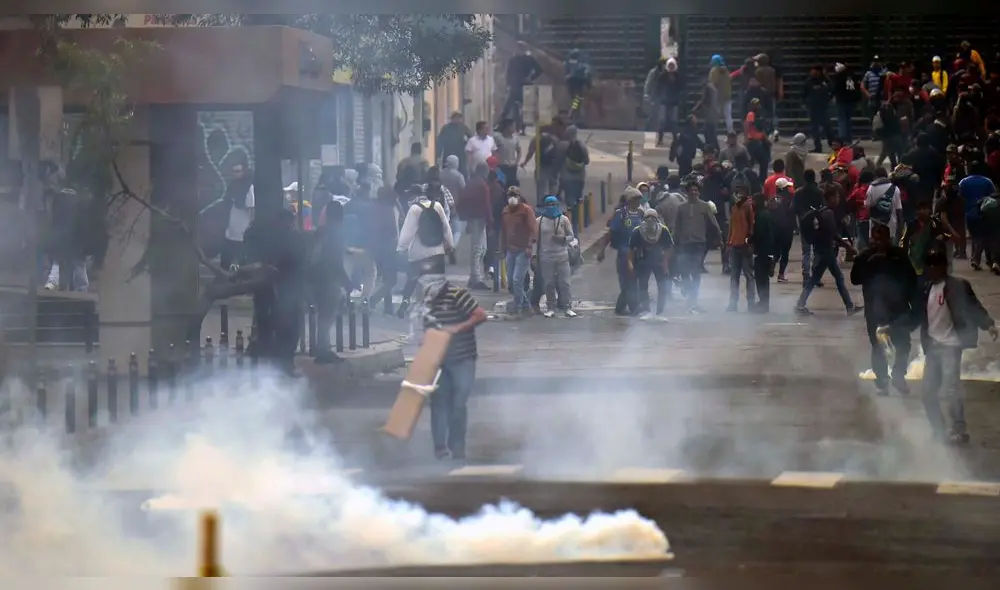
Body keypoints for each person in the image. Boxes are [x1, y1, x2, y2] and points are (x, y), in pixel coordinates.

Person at [890, 248, 997, 445]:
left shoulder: (958, 286)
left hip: (951, 347)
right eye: (928, 264)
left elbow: (974, 307)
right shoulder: (925, 289)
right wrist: (895, 328)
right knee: (928, 393)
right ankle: (939, 430)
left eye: (934, 264)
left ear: (943, 266)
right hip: (933, 348)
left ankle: (959, 429)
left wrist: (988, 324)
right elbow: (916, 316)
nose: (930, 268)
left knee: (951, 390)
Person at [423, 279, 488, 460]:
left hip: (463, 358)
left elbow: (480, 315)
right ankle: (440, 447)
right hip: (438, 359)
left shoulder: (457, 294)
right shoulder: (425, 298)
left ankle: (457, 445)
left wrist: (456, 328)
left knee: (458, 405)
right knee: (438, 403)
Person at [850, 223, 917, 395]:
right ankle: (882, 379)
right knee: (878, 346)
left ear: (888, 240)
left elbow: (911, 279)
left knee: (903, 344)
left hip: (898, 309)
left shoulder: (898, 255)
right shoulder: (865, 256)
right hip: (874, 311)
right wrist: (868, 263)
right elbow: (855, 279)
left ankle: (898, 375)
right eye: (875, 238)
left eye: (881, 239)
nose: (877, 242)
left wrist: (913, 304)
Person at [795, 185, 861, 316]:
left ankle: (849, 306)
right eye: (836, 197)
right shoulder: (829, 213)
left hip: (822, 249)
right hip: (827, 251)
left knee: (820, 278)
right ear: (830, 198)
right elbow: (833, 234)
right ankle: (849, 307)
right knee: (834, 278)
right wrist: (848, 247)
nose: (838, 199)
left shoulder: (823, 211)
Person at [396, 184, 455, 319]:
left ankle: (404, 304)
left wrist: (401, 248)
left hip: (419, 253)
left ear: (413, 196)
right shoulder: (438, 206)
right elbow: (446, 227)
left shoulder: (414, 209)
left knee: (412, 280)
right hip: (437, 252)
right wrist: (450, 245)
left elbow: (408, 232)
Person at [309, 201, 353, 363]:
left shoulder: (320, 232)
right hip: (328, 279)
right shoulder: (336, 233)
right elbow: (335, 261)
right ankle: (322, 350)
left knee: (323, 314)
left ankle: (322, 347)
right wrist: (346, 281)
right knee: (327, 315)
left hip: (316, 278)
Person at [672, 179, 722, 314]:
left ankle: (693, 302)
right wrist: (672, 242)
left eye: (696, 190)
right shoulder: (681, 208)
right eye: (691, 190)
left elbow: (714, 223)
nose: (694, 192)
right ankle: (688, 290)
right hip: (684, 244)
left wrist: (719, 237)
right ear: (687, 192)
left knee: (696, 272)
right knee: (684, 271)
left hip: (699, 244)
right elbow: (677, 227)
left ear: (699, 192)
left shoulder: (705, 206)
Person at [597, 187, 645, 316]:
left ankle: (621, 307)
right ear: (629, 200)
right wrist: (602, 250)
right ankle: (634, 307)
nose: (638, 201)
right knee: (627, 281)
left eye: (639, 199)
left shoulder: (641, 213)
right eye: (636, 199)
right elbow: (610, 233)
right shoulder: (621, 214)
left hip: (638, 254)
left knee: (633, 281)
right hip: (624, 253)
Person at [535, 195, 578, 318]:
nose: (551, 207)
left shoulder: (564, 219)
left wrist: (563, 239)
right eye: (549, 204)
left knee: (564, 283)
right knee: (549, 283)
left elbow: (571, 236)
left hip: (562, 255)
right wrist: (535, 255)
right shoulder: (539, 221)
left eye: (554, 204)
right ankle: (551, 307)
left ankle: (567, 307)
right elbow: (536, 240)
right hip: (546, 256)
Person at [629, 207, 674, 319]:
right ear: (643, 219)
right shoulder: (637, 231)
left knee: (663, 286)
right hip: (643, 261)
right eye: (647, 217)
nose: (650, 219)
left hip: (659, 261)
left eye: (653, 217)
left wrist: (665, 263)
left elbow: (669, 247)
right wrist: (630, 263)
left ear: (657, 219)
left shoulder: (663, 230)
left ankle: (660, 312)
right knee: (643, 286)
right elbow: (631, 249)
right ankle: (646, 310)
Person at [456, 162, 494, 290]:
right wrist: (490, 220)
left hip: (473, 217)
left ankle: (474, 277)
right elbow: (486, 204)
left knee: (481, 248)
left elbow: (461, 199)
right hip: (480, 218)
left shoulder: (471, 183)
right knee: (478, 249)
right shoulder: (482, 185)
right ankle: (476, 278)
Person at [501, 187, 537, 318]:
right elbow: (504, 232)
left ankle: (518, 307)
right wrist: (502, 248)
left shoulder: (526, 211)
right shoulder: (505, 211)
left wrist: (529, 246)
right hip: (510, 250)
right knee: (511, 281)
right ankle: (527, 306)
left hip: (523, 250)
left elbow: (533, 229)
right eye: (510, 195)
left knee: (517, 280)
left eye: (514, 195)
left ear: (519, 197)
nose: (512, 198)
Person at [219, 162, 255, 271]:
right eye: (234, 172)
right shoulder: (231, 187)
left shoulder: (249, 187)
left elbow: (251, 208)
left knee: (242, 261)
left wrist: (250, 227)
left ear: (243, 172)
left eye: (238, 171)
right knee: (225, 260)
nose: (236, 174)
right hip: (230, 230)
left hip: (243, 230)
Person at [726, 183, 755, 312]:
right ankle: (733, 304)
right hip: (735, 246)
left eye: (739, 192)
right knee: (734, 277)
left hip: (744, 247)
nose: (736, 195)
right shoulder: (734, 208)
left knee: (749, 276)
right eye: (735, 192)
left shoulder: (748, 206)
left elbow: (752, 228)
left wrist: (749, 243)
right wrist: (729, 243)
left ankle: (751, 303)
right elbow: (731, 228)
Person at [503, 41, 542, 134]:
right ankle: (506, 125)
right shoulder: (513, 59)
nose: (518, 49)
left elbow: (539, 70)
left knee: (524, 109)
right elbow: (508, 73)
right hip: (515, 85)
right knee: (509, 107)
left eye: (520, 48)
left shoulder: (528, 59)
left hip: (524, 86)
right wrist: (508, 84)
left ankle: (521, 128)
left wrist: (530, 78)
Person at [793, 169, 824, 284]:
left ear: (804, 178)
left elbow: (793, 209)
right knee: (817, 251)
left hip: (803, 223)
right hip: (816, 223)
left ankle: (806, 276)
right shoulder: (819, 192)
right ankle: (816, 276)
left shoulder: (798, 192)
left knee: (805, 251)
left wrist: (796, 224)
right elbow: (823, 207)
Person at [750, 192, 776, 313]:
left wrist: (749, 240)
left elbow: (759, 234)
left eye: (754, 201)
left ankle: (763, 303)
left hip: (762, 251)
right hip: (769, 250)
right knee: (764, 278)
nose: (752, 203)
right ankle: (764, 302)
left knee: (760, 278)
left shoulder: (760, 215)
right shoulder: (768, 214)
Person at [561, 125, 590, 228]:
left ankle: (570, 220)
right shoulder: (582, 145)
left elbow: (559, 161)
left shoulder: (563, 145)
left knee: (569, 199)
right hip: (580, 177)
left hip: (567, 177)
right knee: (578, 198)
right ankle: (578, 220)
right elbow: (587, 161)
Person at [865, 167, 904, 242]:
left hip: (875, 228)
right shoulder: (895, 188)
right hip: (891, 228)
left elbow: (867, 209)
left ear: (875, 177)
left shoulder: (871, 188)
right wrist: (901, 228)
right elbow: (899, 211)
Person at [802, 64, 833, 153]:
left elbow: (832, 90)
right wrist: (804, 103)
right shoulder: (809, 81)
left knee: (827, 127)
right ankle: (818, 147)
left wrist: (829, 99)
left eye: (814, 70)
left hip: (824, 107)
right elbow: (804, 93)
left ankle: (833, 144)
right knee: (814, 129)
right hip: (813, 108)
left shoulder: (825, 80)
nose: (812, 72)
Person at [772, 177, 796, 283]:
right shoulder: (790, 198)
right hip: (787, 228)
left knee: (776, 251)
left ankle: (771, 266)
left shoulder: (772, 199)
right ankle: (781, 275)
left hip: (776, 228)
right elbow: (793, 212)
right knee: (785, 252)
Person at [437, 112, 472, 177]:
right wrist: (438, 154)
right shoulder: (446, 128)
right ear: (452, 119)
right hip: (449, 153)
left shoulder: (464, 128)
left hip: (461, 154)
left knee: (462, 171)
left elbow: (471, 139)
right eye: (456, 118)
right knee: (447, 171)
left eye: (459, 118)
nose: (458, 120)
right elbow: (440, 141)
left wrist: (466, 142)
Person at [708, 54, 734, 133]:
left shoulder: (714, 71)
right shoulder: (726, 70)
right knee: (728, 116)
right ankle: (730, 132)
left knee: (715, 116)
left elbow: (713, 84)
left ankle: (713, 132)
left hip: (717, 97)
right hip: (727, 96)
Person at [493, 118, 521, 188]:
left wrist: (516, 162)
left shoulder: (515, 138)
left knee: (512, 186)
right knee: (500, 185)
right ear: (507, 127)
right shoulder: (497, 137)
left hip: (512, 167)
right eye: (513, 126)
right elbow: (493, 151)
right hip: (501, 167)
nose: (514, 128)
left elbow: (519, 151)